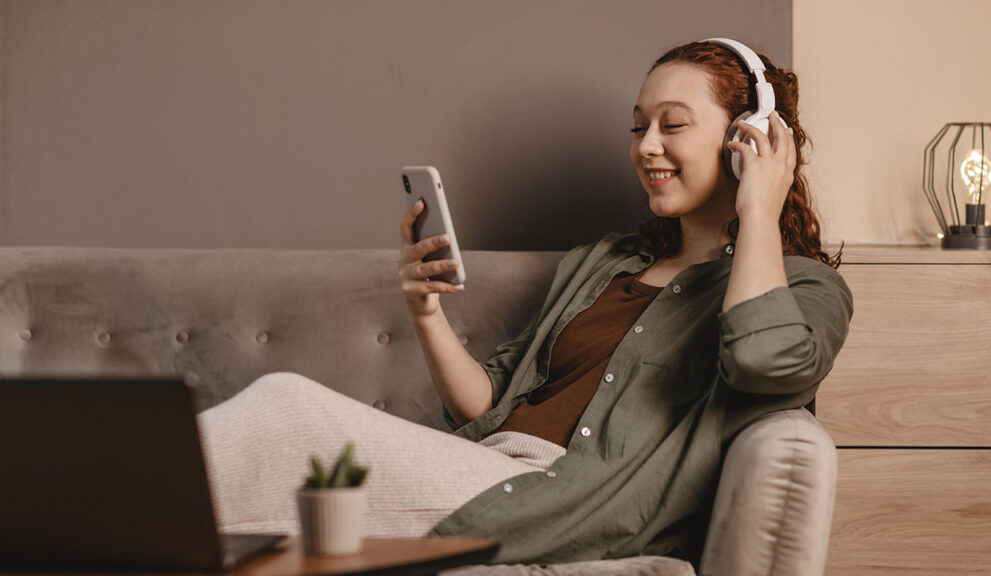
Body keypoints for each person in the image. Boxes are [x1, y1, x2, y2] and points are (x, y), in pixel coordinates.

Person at [198, 39, 853, 567]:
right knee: (265, 462)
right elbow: (486, 403)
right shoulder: (602, 262)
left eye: (672, 125)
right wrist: (425, 311)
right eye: (638, 126)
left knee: (286, 406)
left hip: (557, 503)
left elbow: (764, 361)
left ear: (751, 139)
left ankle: (100, 511)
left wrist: (759, 205)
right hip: (483, 463)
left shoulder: (808, 288)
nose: (646, 145)